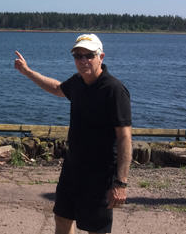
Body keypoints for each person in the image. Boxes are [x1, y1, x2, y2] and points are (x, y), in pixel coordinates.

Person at [13, 34, 132, 234]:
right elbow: (58, 88)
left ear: (101, 57)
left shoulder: (114, 90)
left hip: (100, 173)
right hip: (73, 168)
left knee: (96, 229)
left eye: (89, 55)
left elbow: (124, 137)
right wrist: (27, 72)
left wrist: (121, 182)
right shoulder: (78, 82)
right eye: (78, 55)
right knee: (62, 217)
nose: (83, 60)